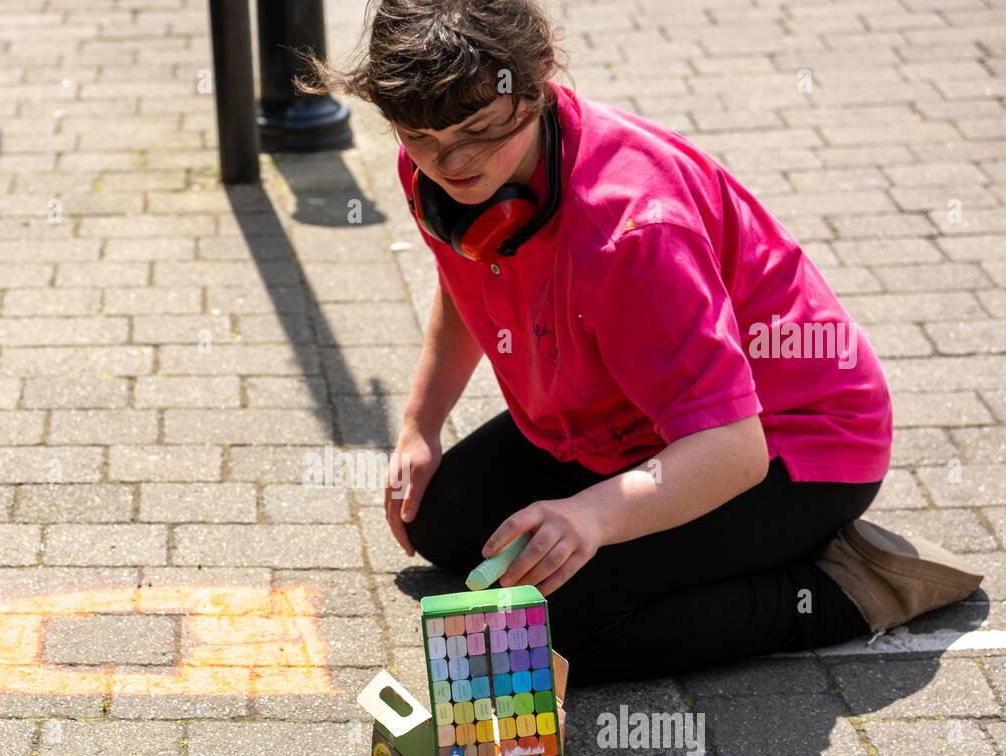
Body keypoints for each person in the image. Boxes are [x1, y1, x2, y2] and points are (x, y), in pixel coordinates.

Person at [305, 0, 982, 684]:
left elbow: (734, 447)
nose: (449, 162)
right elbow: (464, 279)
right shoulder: (438, 166)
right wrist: (421, 425)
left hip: (790, 442)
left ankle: (850, 583)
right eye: (419, 137)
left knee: (564, 626)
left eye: (477, 131)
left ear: (536, 82)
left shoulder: (633, 229)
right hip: (628, 424)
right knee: (439, 523)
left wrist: (591, 516)